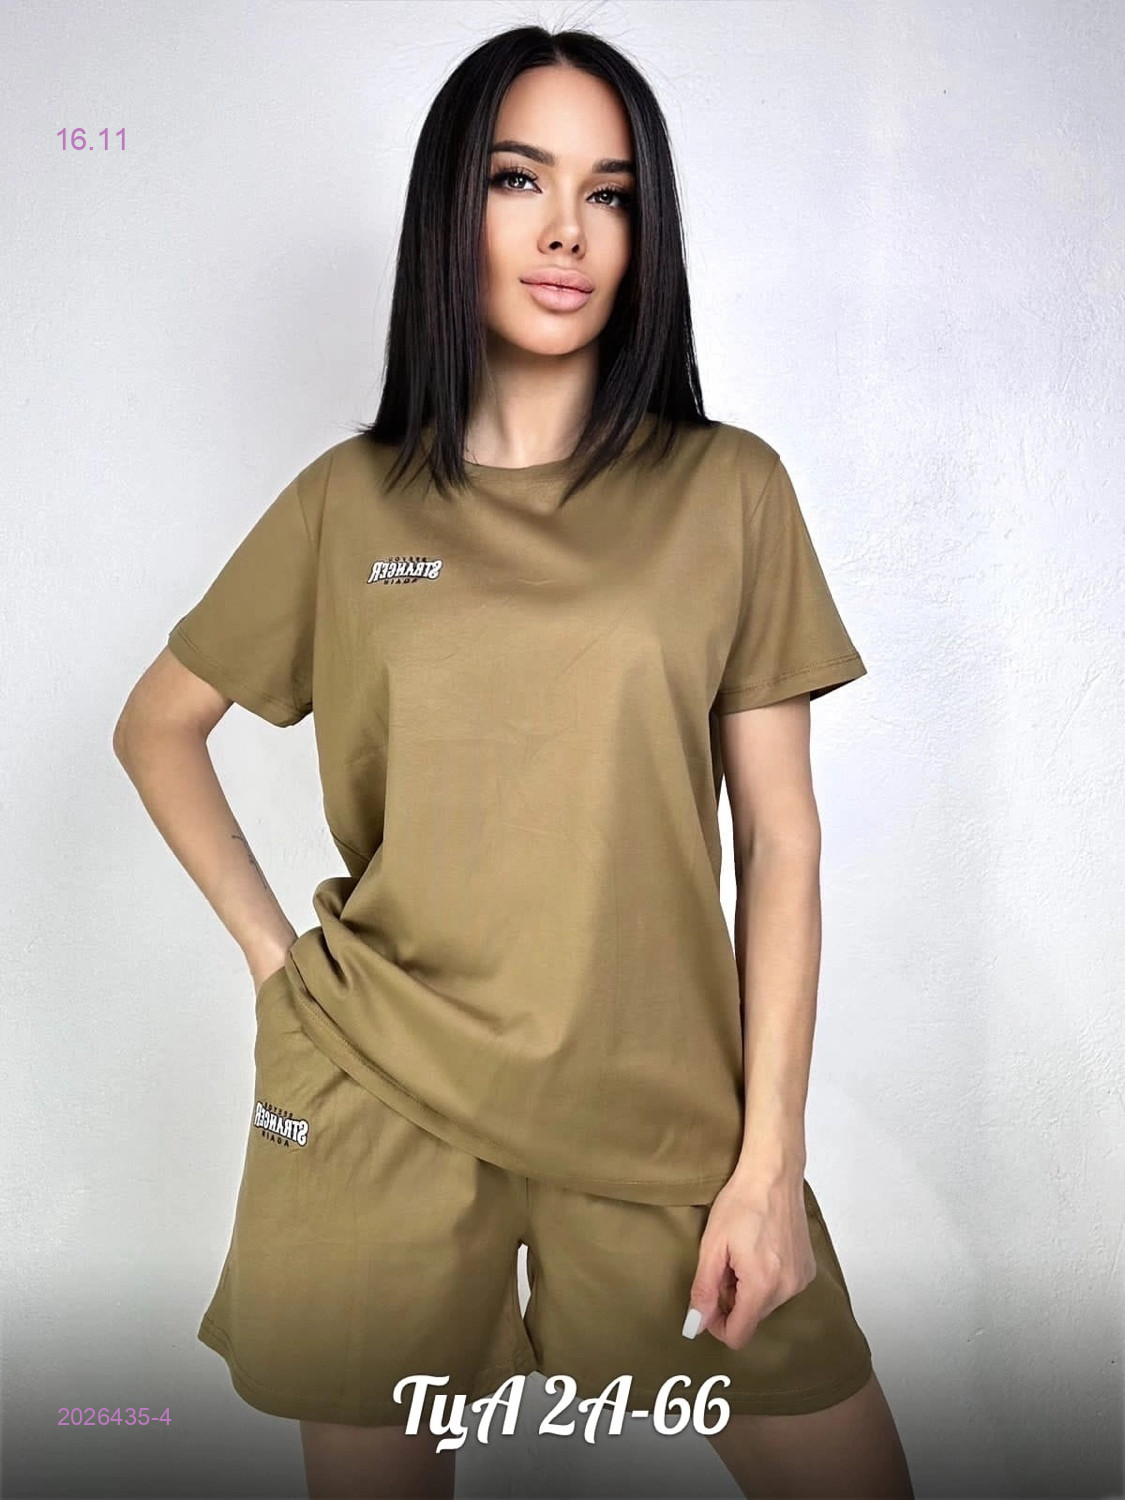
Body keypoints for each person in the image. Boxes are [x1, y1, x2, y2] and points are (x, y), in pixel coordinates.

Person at [113, 24, 914, 1500]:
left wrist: (766, 1163)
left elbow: (780, 840)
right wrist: (279, 968)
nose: (565, 231)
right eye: (518, 179)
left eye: (609, 194)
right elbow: (156, 724)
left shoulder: (728, 489)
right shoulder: (350, 500)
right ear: (452, 208)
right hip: (379, 1092)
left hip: (664, 1114)